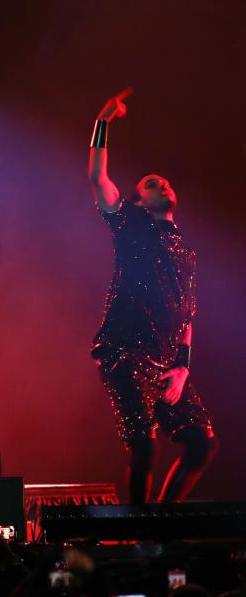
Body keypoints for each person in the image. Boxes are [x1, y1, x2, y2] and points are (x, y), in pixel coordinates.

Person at [87, 90, 217, 504]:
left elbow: (188, 315)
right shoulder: (131, 223)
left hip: (166, 362)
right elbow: (98, 180)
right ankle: (140, 533)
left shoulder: (187, 251)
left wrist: (182, 367)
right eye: (151, 183)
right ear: (139, 200)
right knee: (145, 446)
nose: (162, 182)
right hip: (124, 352)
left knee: (202, 442)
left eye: (165, 180)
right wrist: (102, 121)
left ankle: (161, 523)